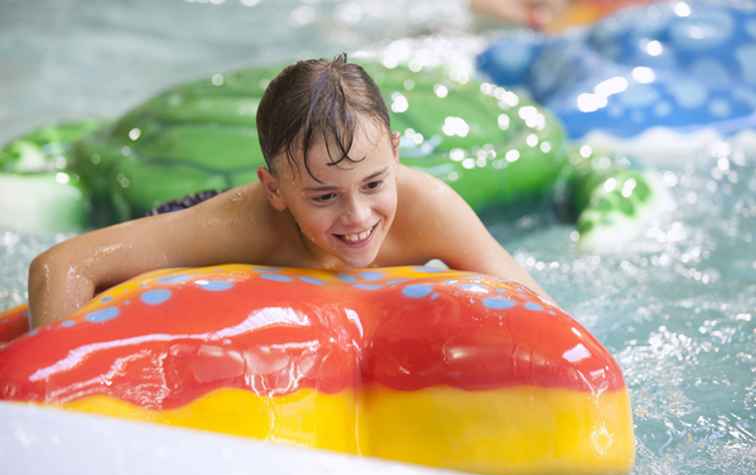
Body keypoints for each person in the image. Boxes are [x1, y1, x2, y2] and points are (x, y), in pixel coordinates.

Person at [27, 54, 554, 329]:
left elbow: (538, 306)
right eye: (324, 196)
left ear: (394, 153)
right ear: (274, 189)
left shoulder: (430, 209)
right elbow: (61, 265)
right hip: (192, 221)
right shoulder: (241, 226)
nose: (357, 216)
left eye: (374, 183)